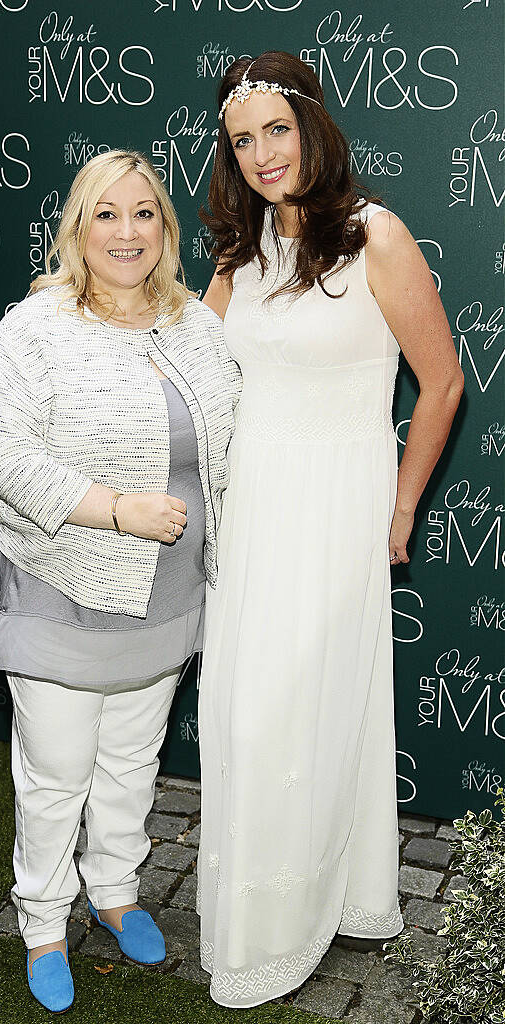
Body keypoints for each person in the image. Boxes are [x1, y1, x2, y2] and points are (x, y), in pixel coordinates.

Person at [196, 51, 464, 1008]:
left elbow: (440, 383)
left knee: (299, 714)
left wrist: (398, 511)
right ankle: (299, 906)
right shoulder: (240, 249)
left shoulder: (375, 235)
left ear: (313, 126)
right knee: (247, 713)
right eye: (243, 140)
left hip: (333, 510)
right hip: (250, 513)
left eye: (277, 129)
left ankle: (292, 923)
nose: (264, 154)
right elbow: (189, 357)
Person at [0, 149, 241, 1013]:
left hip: (167, 596)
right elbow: (5, 457)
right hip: (62, 586)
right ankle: (43, 919)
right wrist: (114, 509)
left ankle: (115, 892)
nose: (126, 232)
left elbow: (230, 442)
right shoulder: (35, 326)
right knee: (55, 773)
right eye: (105, 214)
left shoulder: (195, 322)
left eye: (144, 213)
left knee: (131, 758)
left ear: (164, 227)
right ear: (77, 229)